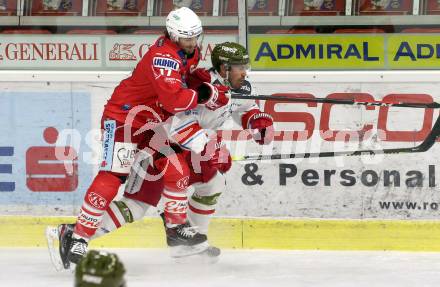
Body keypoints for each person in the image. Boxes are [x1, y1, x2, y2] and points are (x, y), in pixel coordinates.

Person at [47, 6, 230, 270]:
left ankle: (176, 228)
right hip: (123, 120)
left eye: (195, 36)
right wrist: (206, 93)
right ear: (172, 34)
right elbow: (175, 100)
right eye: (186, 37)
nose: (192, 42)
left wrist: (199, 81)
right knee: (113, 176)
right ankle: (78, 236)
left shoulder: (190, 52)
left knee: (176, 168)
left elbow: (180, 82)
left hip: (149, 123)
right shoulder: (163, 57)